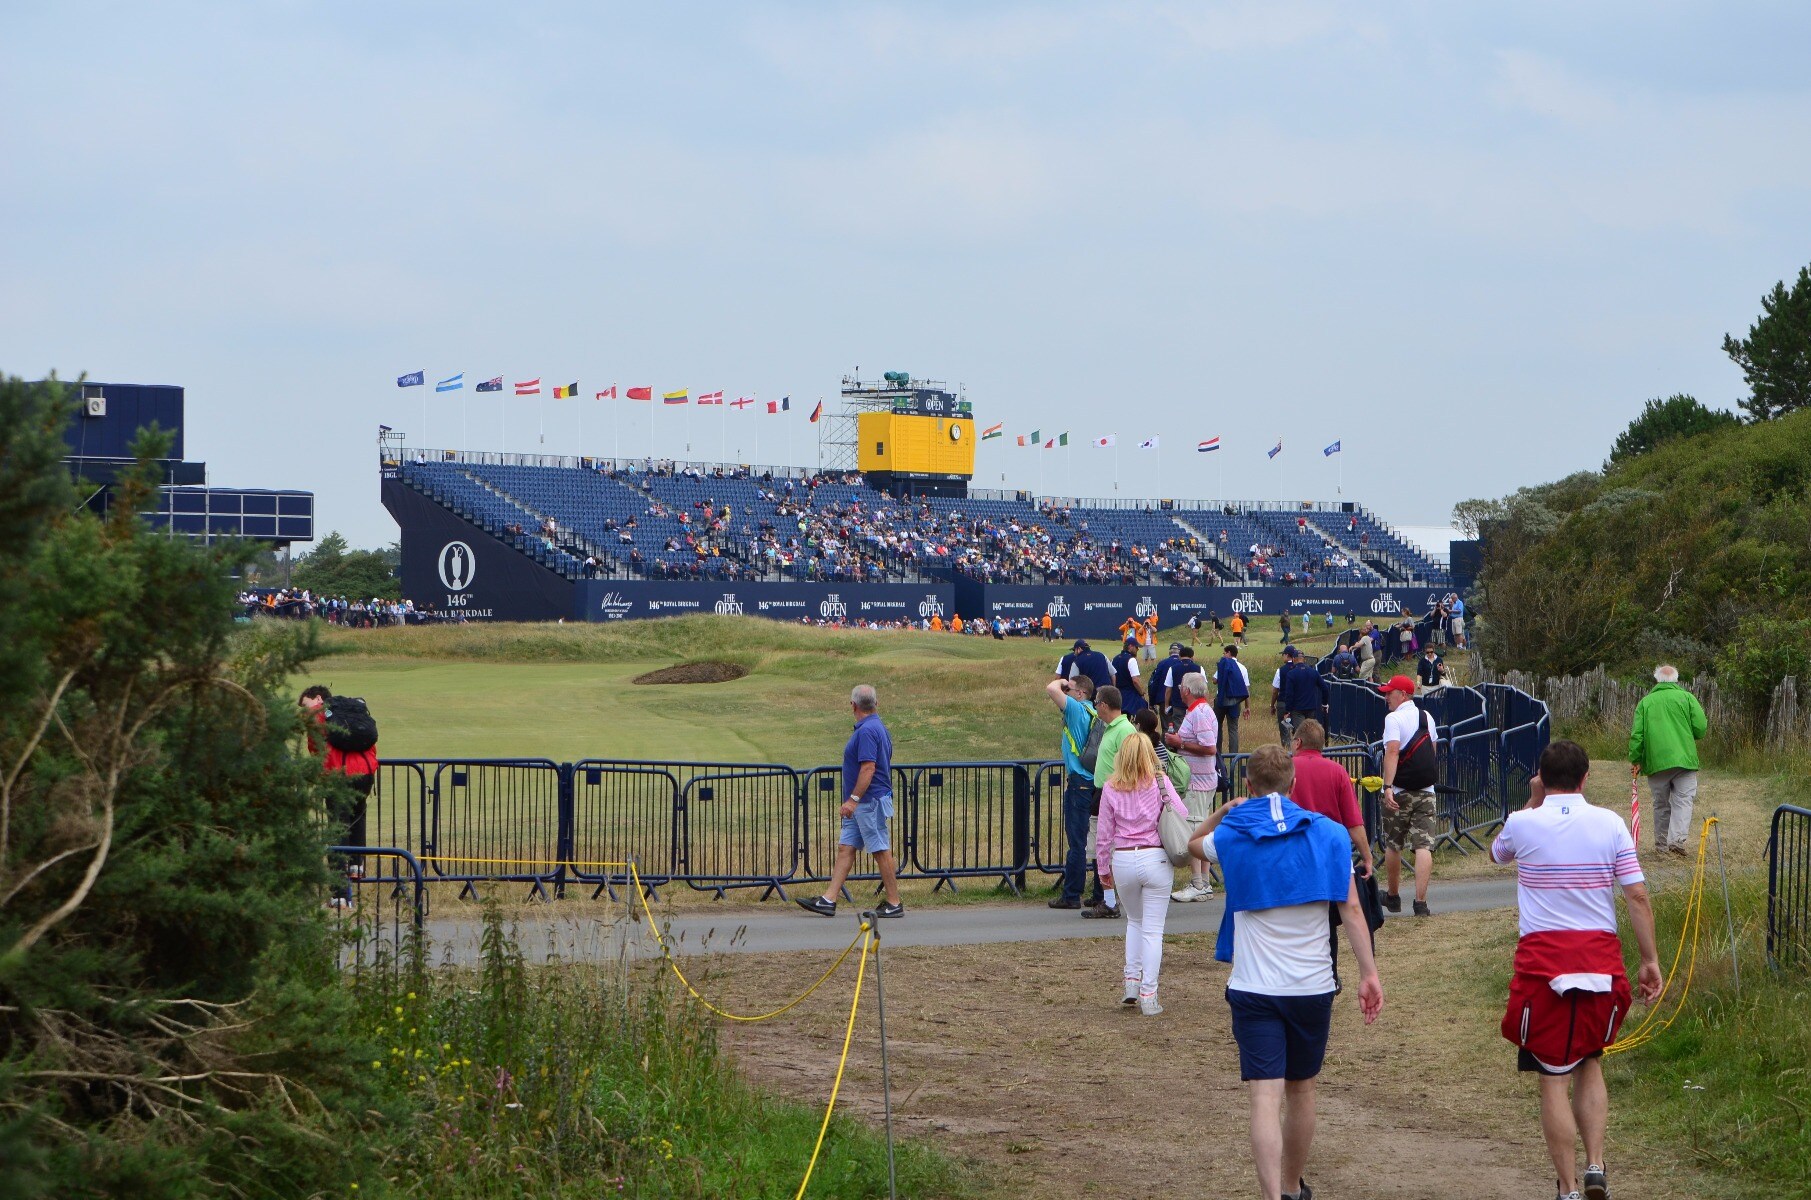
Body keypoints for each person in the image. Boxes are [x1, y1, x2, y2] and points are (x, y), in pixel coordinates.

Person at [1190, 744, 1384, 1200]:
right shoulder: (1332, 835)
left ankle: (1271, 1196)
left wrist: (1223, 810)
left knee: (1264, 1097)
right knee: (1301, 1091)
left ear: (1250, 787)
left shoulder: (1234, 834)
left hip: (1253, 987)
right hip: (1311, 986)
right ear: (1294, 785)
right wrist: (1368, 972)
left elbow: (1188, 845)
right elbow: (1352, 910)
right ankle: (1293, 1186)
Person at [1490, 740, 1663, 1200]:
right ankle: (1594, 1164)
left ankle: (1566, 1187)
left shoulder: (1523, 822)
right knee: (1590, 1060)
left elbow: (1498, 855)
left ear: (1542, 779)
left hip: (1543, 963)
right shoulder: (1609, 824)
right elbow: (1637, 896)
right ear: (1586, 778)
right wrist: (1649, 960)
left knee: (1552, 1077)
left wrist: (1532, 800)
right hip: (1599, 959)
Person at [1095, 733, 1190, 1015]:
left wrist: (1103, 869)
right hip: (1155, 857)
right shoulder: (1159, 781)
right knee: (1152, 930)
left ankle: (1131, 983)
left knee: (1134, 923)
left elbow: (1103, 834)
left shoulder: (1111, 787)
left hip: (1123, 859)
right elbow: (1181, 812)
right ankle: (1149, 994)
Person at [797, 685, 905, 918]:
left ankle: (894, 903)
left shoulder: (867, 731)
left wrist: (853, 800)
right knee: (846, 848)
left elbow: (868, 768)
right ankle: (829, 899)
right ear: (876, 703)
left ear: (853, 705)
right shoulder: (878, 727)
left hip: (868, 801)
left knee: (880, 849)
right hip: (867, 801)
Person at [1288, 720, 1377, 981]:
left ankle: (1297, 975)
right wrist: (1367, 856)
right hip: (1330, 855)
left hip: (1295, 854)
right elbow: (1353, 821)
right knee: (1328, 921)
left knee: (1296, 919)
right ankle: (1330, 976)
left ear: (1298, 742)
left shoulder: (1286, 769)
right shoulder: (1337, 772)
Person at [300, 685, 379, 908]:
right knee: (357, 816)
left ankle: (339, 895)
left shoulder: (318, 716)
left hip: (338, 776)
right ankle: (357, 866)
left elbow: (316, 749)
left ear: (317, 698)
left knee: (337, 830)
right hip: (365, 774)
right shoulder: (354, 711)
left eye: (305, 704)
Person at [1628, 664, 1709, 857]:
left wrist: (1635, 759)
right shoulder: (1687, 698)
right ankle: (1677, 840)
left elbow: (1637, 735)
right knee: (1684, 800)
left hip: (1656, 762)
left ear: (1657, 680)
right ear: (1676, 679)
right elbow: (1700, 728)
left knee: (1661, 804)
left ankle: (1662, 846)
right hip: (1684, 760)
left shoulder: (1646, 703)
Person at [1378, 675, 1439, 916]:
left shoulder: (1393, 719)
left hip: (1401, 791)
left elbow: (1392, 752)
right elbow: (1432, 751)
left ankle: (1393, 897)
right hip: (1426, 790)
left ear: (1402, 695)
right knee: (1424, 845)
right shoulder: (1427, 717)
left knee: (1394, 843)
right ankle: (1421, 903)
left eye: (1389, 693)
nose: (1386, 697)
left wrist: (1388, 787)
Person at [1045, 674, 1100, 911]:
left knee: (1077, 842)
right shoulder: (1095, 713)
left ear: (1080, 693)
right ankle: (1099, 893)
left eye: (1071, 690)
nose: (1067, 692)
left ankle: (1072, 894)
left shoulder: (1076, 710)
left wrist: (1063, 682)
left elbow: (1051, 688)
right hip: (1095, 782)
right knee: (1099, 840)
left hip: (1079, 782)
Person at [1165, 672, 1219, 901]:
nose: (1178, 689)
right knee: (1201, 830)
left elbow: (1210, 748)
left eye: (1180, 686)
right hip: (1199, 780)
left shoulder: (1199, 713)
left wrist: (1181, 743)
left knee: (1194, 832)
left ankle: (1198, 882)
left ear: (1186, 690)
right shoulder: (1198, 711)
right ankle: (1203, 883)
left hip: (1198, 782)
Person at [1085, 685, 1137, 919]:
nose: (1095, 706)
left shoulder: (1124, 730)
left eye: (1097, 702)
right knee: (1100, 848)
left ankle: (1111, 900)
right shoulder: (1111, 728)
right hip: (1102, 794)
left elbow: (1132, 766)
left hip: (1113, 796)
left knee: (1106, 848)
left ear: (1104, 705)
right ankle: (1106, 898)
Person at [1272, 646, 1329, 743]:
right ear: (1304, 659)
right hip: (1311, 708)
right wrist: (1324, 704)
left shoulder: (1291, 674)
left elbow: (1289, 694)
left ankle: (1300, 755)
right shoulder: (1313, 672)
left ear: (1293, 659)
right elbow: (1325, 688)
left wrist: (1287, 710)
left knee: (1300, 734)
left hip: (1297, 710)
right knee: (1310, 733)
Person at [1215, 645, 1252, 754]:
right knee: (1233, 729)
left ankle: (1218, 753)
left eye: (1224, 653)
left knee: (1217, 726)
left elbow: (1214, 679)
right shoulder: (1243, 668)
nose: (1223, 655)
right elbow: (1246, 689)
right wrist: (1247, 706)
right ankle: (1233, 755)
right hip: (1235, 701)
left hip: (1221, 700)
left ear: (1229, 653)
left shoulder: (1224, 664)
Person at [1111, 636, 1149, 716]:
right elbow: (1135, 681)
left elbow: (1112, 677)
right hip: (1129, 695)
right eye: (1136, 647)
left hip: (1117, 694)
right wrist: (1141, 693)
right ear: (1130, 646)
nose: (1137, 649)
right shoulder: (1131, 660)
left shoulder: (1115, 659)